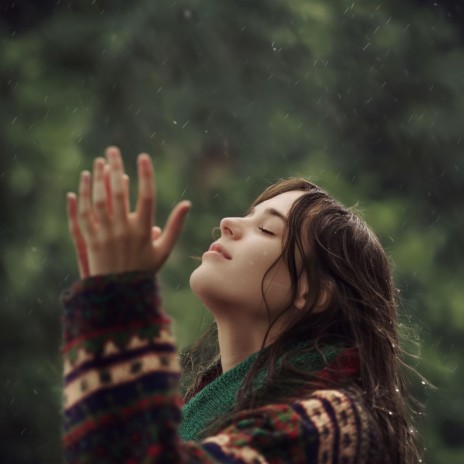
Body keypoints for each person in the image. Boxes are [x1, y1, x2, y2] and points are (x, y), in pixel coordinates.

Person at [61, 146, 421, 463]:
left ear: (313, 294)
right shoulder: (203, 411)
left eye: (266, 230)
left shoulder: (334, 426)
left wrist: (116, 305)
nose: (228, 223)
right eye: (247, 216)